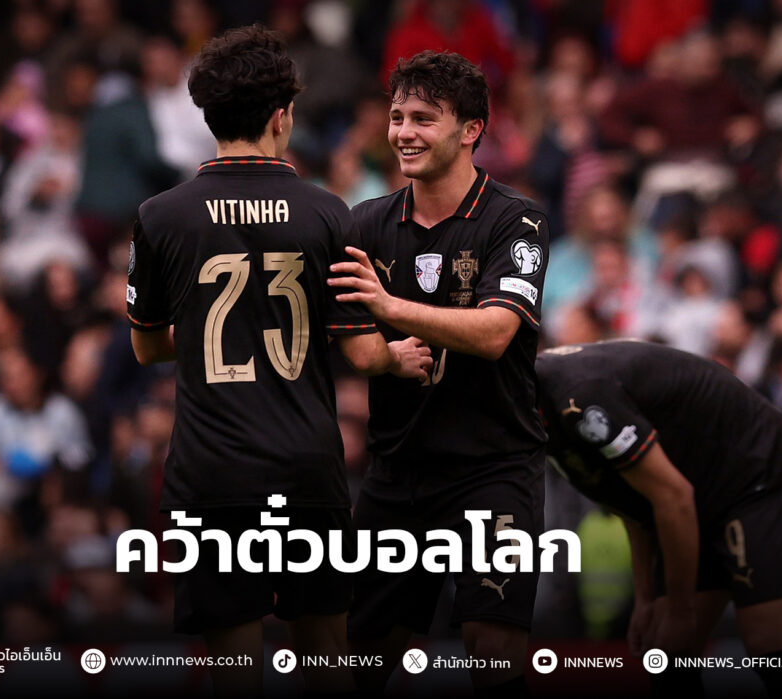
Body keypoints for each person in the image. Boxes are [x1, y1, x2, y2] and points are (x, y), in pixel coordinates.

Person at [127, 26, 431, 696]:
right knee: (325, 654)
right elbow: (361, 350)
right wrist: (396, 357)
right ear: (281, 116)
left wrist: (217, 327)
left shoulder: (159, 215)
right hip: (305, 464)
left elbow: (147, 346)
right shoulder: (328, 212)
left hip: (212, 470)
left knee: (233, 668)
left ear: (209, 116)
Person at [329, 50, 550, 694]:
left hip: (493, 468)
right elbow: (348, 339)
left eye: (424, 119)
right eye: (397, 117)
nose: (404, 132)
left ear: (471, 130)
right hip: (396, 471)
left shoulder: (517, 219)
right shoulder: (364, 223)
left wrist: (390, 307)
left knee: (493, 650)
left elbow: (496, 332)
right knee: (362, 658)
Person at [536, 340, 782, 698]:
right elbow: (633, 504)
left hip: (756, 469)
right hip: (691, 487)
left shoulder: (578, 396)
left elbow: (673, 497)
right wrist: (645, 599)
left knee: (769, 645)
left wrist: (681, 612)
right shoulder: (537, 415)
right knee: (666, 652)